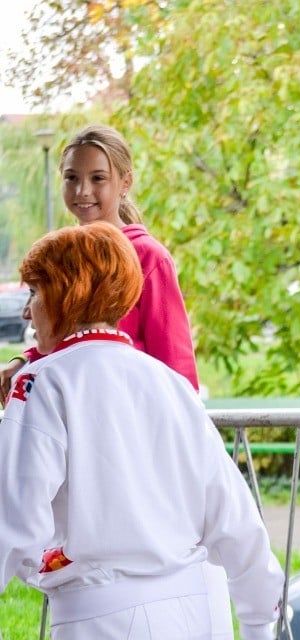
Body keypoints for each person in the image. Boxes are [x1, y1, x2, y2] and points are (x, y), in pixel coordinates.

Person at [0, 222, 284, 639]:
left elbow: (14, 522)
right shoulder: (170, 384)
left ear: (66, 294)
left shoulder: (44, 381)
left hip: (100, 620)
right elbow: (236, 517)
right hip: (193, 615)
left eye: (36, 292)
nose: (28, 311)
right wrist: (259, 621)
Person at [0, 123, 198, 404]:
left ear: (125, 183)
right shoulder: (61, 256)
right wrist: (26, 360)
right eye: (71, 177)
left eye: (98, 178)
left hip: (128, 417)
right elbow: (66, 336)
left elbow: (177, 366)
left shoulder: (148, 256)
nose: (82, 190)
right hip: (73, 413)